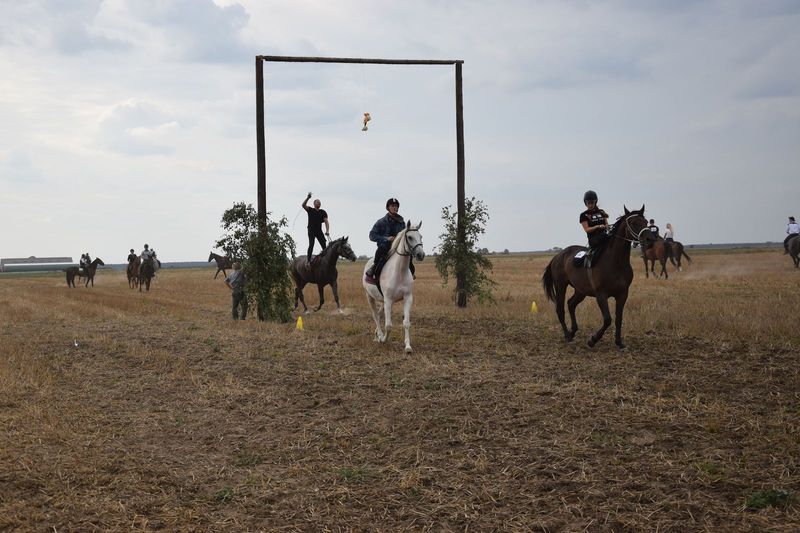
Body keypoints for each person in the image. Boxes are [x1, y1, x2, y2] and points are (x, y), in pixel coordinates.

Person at [365, 197, 415, 283]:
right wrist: (386, 238)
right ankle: (374, 268)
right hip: (386, 246)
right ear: (388, 208)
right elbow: (372, 235)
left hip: (398, 247)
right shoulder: (381, 222)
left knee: (409, 254)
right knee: (382, 248)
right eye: (392, 206)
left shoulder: (401, 222)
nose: (395, 208)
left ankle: (411, 272)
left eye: (396, 206)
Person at [579, 190, 609, 268]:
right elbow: (587, 229)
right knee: (606, 237)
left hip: (604, 235)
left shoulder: (602, 212)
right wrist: (597, 226)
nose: (590, 205)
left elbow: (607, 225)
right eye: (588, 203)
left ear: (595, 202)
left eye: (592, 202)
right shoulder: (583, 215)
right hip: (594, 239)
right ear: (585, 203)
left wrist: (607, 226)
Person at [302, 192, 329, 263]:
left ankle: (326, 259)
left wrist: (327, 231)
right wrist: (308, 197)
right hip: (311, 230)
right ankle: (308, 260)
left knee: (324, 244)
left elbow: (326, 221)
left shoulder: (323, 212)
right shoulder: (310, 210)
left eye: (320, 202)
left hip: (319, 230)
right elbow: (303, 205)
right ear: (314, 204)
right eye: (317, 202)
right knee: (311, 244)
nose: (319, 203)